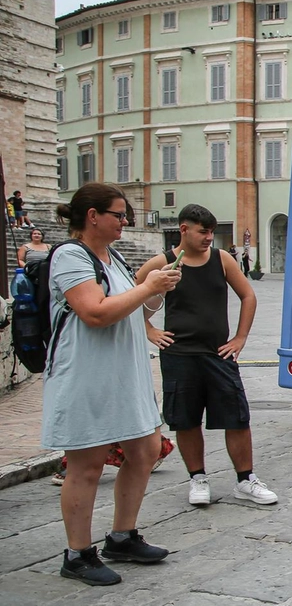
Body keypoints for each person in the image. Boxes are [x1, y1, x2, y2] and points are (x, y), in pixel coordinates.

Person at [43, 183, 182, 586]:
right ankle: (77, 554)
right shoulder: (70, 256)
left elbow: (133, 305)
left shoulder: (114, 257)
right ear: (92, 216)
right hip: (87, 375)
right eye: (119, 215)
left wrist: (156, 292)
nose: (125, 222)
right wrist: (147, 287)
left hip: (126, 373)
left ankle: (122, 536)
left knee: (146, 450)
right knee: (86, 466)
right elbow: (95, 313)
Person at [136, 204, 276, 508]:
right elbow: (130, 292)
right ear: (184, 229)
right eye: (203, 231)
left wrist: (240, 338)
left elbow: (248, 295)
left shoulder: (221, 259)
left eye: (211, 231)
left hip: (218, 354)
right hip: (179, 355)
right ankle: (197, 479)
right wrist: (149, 330)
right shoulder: (163, 263)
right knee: (186, 421)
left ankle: (245, 480)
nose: (209, 237)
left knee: (237, 417)